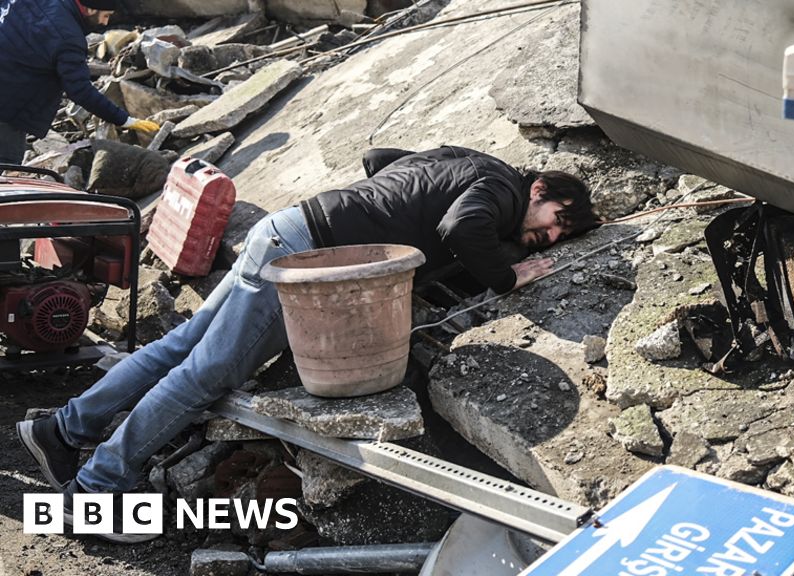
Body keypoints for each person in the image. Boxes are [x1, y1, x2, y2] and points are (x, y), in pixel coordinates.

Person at [17, 145, 597, 542]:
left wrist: (391, 214)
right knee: (207, 374)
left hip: (289, 229)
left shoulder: (466, 163)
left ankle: (61, 429)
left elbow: (380, 161)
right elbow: (460, 230)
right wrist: (509, 273)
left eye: (556, 237)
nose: (546, 234)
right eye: (553, 219)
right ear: (538, 186)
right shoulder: (499, 186)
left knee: (182, 347)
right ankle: (94, 489)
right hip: (303, 263)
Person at [0, 0, 159, 165]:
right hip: (7, 109)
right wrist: (125, 120)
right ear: (89, 9)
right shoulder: (68, 38)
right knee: (6, 167)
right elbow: (80, 90)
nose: (105, 22)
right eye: (105, 16)